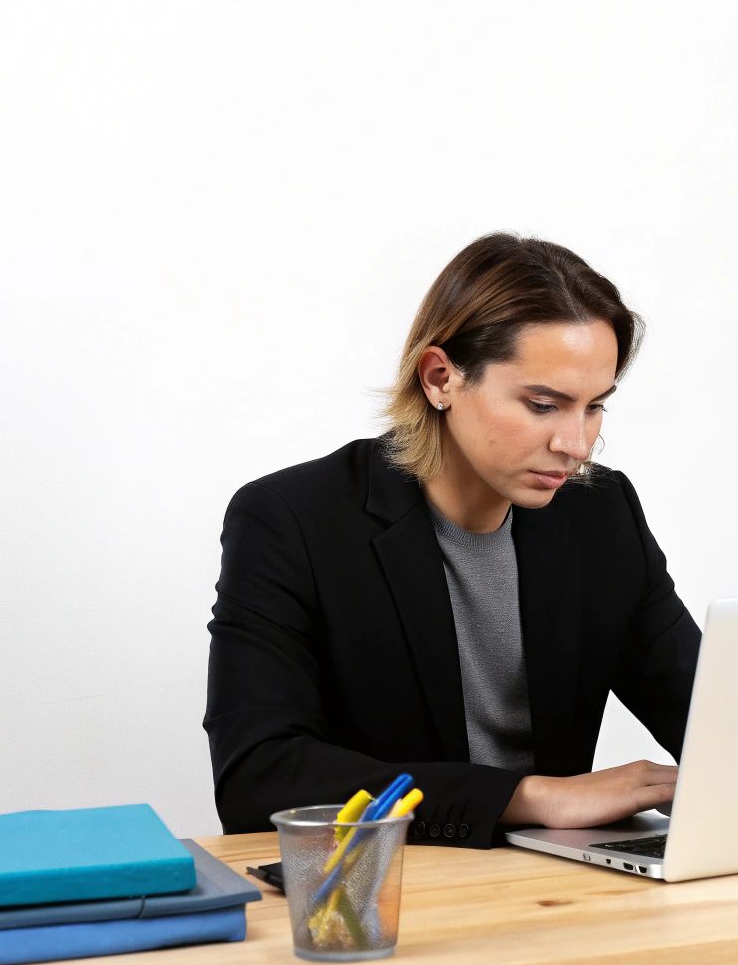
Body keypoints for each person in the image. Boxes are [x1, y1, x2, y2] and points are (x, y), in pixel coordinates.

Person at [203, 233, 699, 848]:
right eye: (544, 404)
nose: (577, 444)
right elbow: (257, 775)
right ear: (440, 378)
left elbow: (709, 717)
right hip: (384, 890)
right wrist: (528, 796)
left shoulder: (600, 515)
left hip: (561, 888)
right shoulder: (291, 520)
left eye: (595, 407)